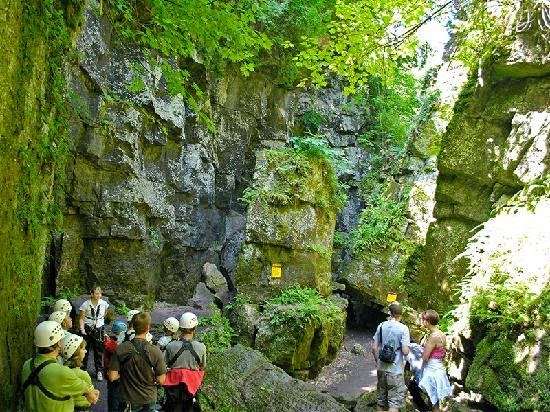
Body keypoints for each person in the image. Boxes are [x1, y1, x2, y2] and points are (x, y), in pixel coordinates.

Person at [21, 321, 99, 411]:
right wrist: (92, 395)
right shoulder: (61, 372)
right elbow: (90, 396)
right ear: (58, 343)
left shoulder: (27, 364)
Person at [108, 312, 167, 412]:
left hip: (127, 398)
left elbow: (112, 376)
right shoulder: (155, 351)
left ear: (133, 327)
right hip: (148, 398)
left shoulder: (121, 348)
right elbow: (161, 380)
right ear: (148, 327)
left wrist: (125, 374)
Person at [163, 312, 206, 412]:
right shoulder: (201, 347)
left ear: (180, 328)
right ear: (195, 328)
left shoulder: (170, 346)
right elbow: (202, 367)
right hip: (192, 387)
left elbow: (165, 364)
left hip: (173, 387)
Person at [371, 301, 410, 412]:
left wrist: (378, 360)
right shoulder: (403, 329)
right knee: (394, 403)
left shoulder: (382, 326)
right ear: (401, 314)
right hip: (396, 370)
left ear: (390, 313)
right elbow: (405, 351)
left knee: (381, 401)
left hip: (381, 367)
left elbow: (374, 348)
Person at [418, 310, 452, 411]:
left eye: (423, 320)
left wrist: (421, 368)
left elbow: (425, 357)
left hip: (431, 368)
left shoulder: (433, 337)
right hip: (439, 366)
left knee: (433, 400)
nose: (422, 322)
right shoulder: (441, 334)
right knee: (435, 399)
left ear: (427, 322)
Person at [78, 286, 109, 381]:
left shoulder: (104, 304)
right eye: (96, 293)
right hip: (88, 327)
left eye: (100, 293)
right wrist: (82, 329)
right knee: (85, 349)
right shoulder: (85, 304)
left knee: (99, 350)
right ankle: (82, 370)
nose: (99, 295)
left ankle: (99, 371)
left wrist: (99, 321)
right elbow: (81, 318)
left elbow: (105, 314)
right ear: (92, 294)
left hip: (99, 327)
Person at [60, 333, 95, 411]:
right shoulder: (82, 374)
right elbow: (93, 399)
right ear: (76, 353)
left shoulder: (63, 368)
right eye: (83, 349)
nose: (86, 351)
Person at [104, 320, 128, 412]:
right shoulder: (113, 345)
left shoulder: (110, 341)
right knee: (115, 398)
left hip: (110, 372)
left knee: (113, 396)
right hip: (116, 374)